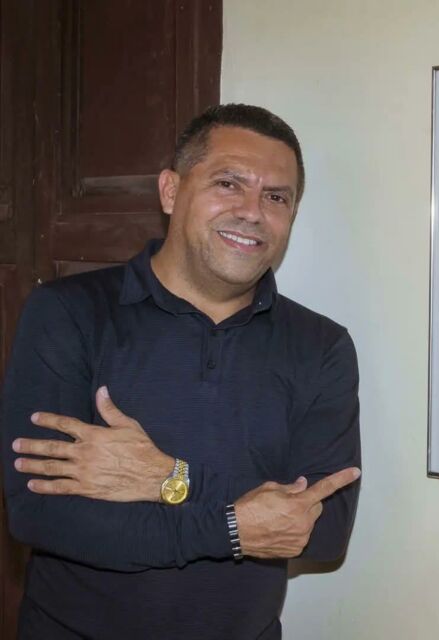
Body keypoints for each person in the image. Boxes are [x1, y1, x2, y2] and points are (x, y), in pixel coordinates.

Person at [2, 104, 361, 640]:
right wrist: (232, 528)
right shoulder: (68, 313)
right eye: (228, 183)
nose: (252, 212)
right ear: (171, 191)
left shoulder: (322, 346)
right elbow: (39, 513)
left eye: (276, 197)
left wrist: (169, 478)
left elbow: (325, 528)